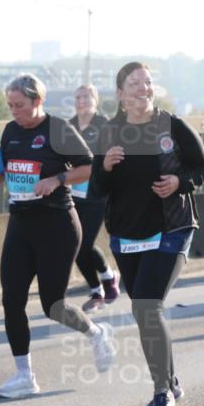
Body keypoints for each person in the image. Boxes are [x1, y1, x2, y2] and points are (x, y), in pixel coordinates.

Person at [92, 62, 204, 406]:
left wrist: (179, 183)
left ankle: (162, 394)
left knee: (146, 306)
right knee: (146, 310)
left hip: (172, 228)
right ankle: (170, 379)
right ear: (120, 94)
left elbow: (202, 168)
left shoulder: (171, 126)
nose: (143, 88)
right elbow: (97, 189)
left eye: (146, 82)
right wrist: (106, 167)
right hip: (127, 234)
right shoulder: (110, 132)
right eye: (134, 83)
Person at [0, 74, 116, 399]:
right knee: (11, 300)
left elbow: (89, 167)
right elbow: (1, 181)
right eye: (10, 105)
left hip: (57, 224)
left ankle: (96, 333)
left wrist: (57, 178)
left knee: (53, 305)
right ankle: (24, 375)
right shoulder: (12, 131)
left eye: (20, 105)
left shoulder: (56, 129)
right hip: (21, 222)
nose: (14, 111)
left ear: (37, 101)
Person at [68, 85, 120, 311]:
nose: (82, 101)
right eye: (78, 97)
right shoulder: (67, 126)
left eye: (87, 97)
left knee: (84, 243)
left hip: (98, 194)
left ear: (95, 100)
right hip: (73, 195)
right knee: (74, 245)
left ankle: (108, 279)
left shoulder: (105, 126)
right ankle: (97, 291)